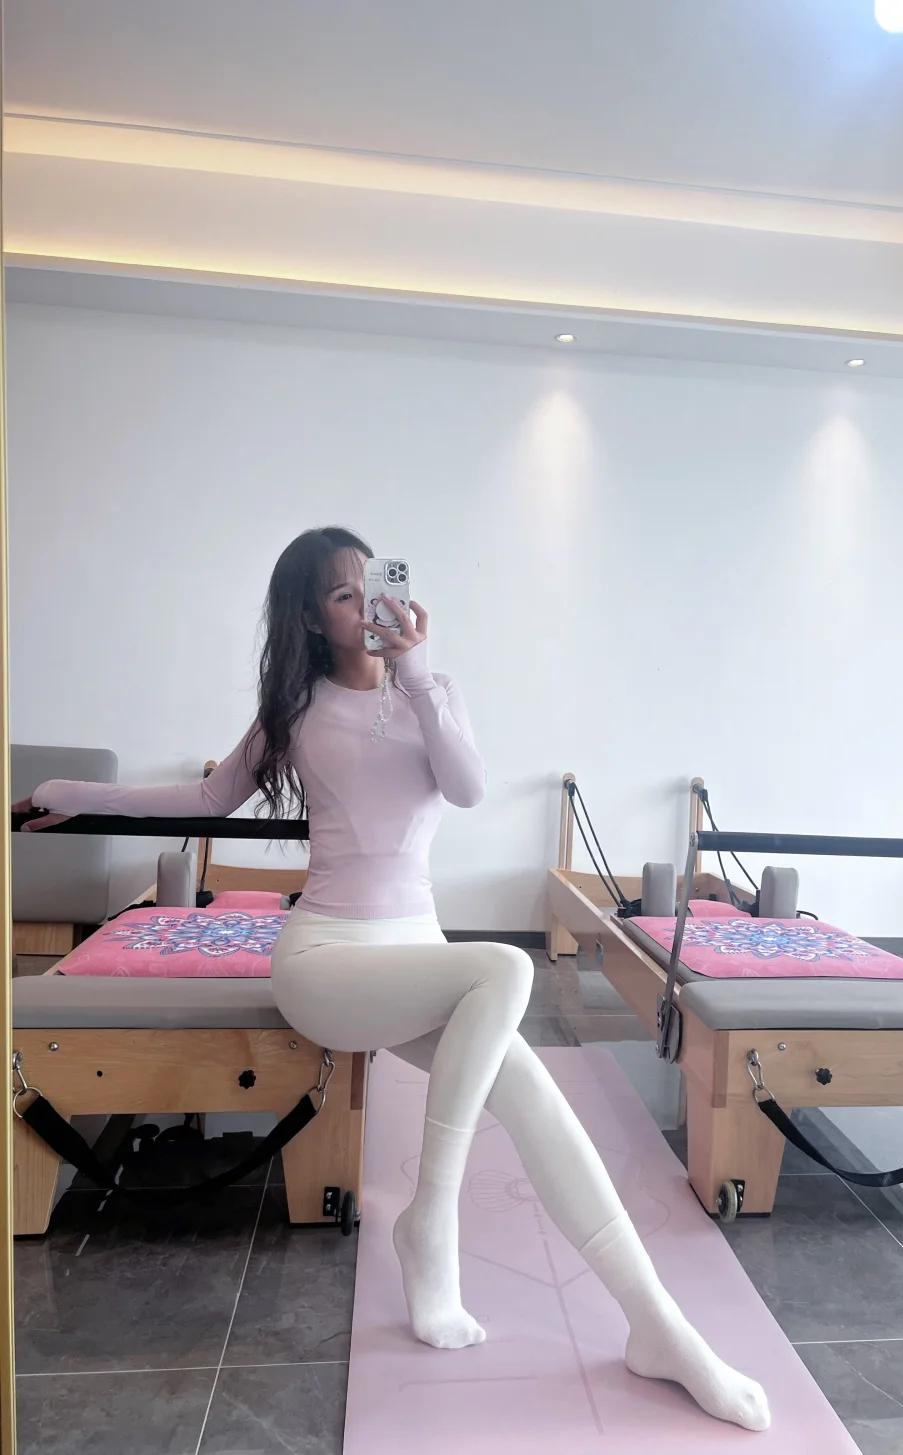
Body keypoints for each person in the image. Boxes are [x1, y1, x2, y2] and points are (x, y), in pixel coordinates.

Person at [18, 526, 769, 1431]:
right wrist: (68, 794)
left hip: (419, 958)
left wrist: (416, 672)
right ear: (311, 617)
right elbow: (205, 799)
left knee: (537, 1099)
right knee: (503, 966)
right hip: (327, 961)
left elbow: (468, 787)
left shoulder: (432, 692)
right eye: (342, 595)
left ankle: (658, 1326)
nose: (367, 607)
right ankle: (432, 1221)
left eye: (370, 587)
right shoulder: (295, 709)